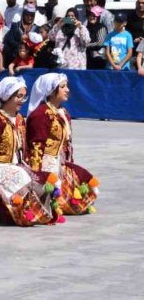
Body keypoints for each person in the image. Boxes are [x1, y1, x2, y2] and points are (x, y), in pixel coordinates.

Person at [0, 77, 55, 227]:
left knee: (45, 183)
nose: (22, 100)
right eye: (18, 96)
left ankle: (33, 211)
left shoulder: (19, 119)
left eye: (24, 96)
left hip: (16, 166)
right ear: (7, 96)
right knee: (23, 186)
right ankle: (17, 213)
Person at [26, 74, 98, 216]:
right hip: (45, 165)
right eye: (63, 87)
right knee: (60, 201)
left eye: (67, 86)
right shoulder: (41, 115)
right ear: (51, 90)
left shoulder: (63, 112)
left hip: (59, 163)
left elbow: (67, 146)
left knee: (86, 195)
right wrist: (39, 177)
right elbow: (36, 149)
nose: (67, 90)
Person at [84, 5, 108, 70]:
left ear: (98, 17)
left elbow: (100, 43)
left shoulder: (101, 28)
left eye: (94, 16)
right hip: (87, 59)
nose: (92, 17)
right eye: (90, 15)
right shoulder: (86, 28)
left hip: (99, 60)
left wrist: (85, 45)